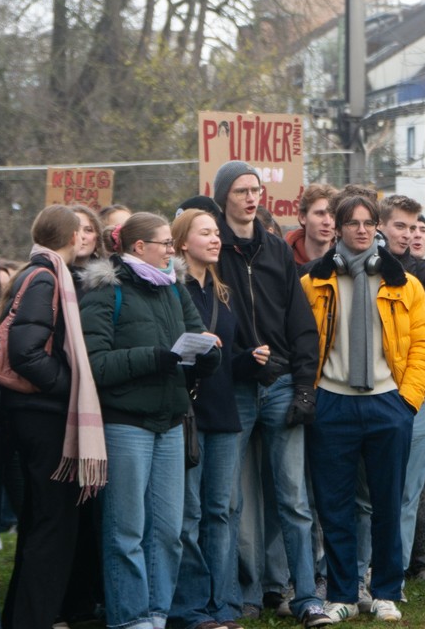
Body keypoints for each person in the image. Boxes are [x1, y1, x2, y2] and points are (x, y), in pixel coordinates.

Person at [82, 211, 222, 629]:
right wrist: (157, 357)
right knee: (126, 531)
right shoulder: (106, 290)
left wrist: (207, 356)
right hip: (127, 424)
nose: (172, 249)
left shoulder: (174, 288)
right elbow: (96, 363)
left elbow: (196, 335)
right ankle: (130, 618)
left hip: (172, 421)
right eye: (164, 243)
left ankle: (158, 613)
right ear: (139, 247)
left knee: (166, 532)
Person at [302, 192, 425, 624]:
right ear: (337, 229)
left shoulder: (405, 284)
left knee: (387, 504)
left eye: (368, 222)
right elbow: (303, 345)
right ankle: (341, 592)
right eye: (352, 222)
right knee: (335, 506)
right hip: (333, 405)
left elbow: (423, 345)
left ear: (376, 227)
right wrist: (316, 398)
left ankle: (385, 591)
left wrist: (407, 401)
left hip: (386, 405)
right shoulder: (313, 283)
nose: (361, 229)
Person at [211, 162, 322, 622]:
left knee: (293, 499)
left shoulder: (277, 249)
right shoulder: (211, 249)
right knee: (231, 504)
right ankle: (237, 598)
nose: (251, 198)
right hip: (232, 387)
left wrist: (303, 387)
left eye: (256, 189)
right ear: (224, 197)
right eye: (241, 190)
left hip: (279, 385)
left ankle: (305, 597)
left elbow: (302, 325)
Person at [0, 205, 107, 629]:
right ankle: (35, 619)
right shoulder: (44, 277)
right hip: (42, 415)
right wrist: (72, 386)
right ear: (64, 235)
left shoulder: (41, 271)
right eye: (78, 229)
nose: (85, 236)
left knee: (44, 523)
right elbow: (25, 351)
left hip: (36, 414)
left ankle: (24, 617)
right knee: (51, 527)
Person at [174, 206, 260, 629]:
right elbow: (172, 356)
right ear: (181, 242)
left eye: (216, 233)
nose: (215, 239)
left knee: (221, 513)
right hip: (189, 415)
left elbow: (225, 361)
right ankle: (190, 608)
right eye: (205, 232)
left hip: (225, 414)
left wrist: (251, 360)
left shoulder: (223, 292)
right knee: (189, 515)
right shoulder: (173, 290)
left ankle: (222, 605)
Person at [288, 183, 341, 269]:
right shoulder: (282, 259)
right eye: (320, 213)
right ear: (302, 217)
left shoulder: (342, 262)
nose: (327, 222)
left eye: (333, 215)